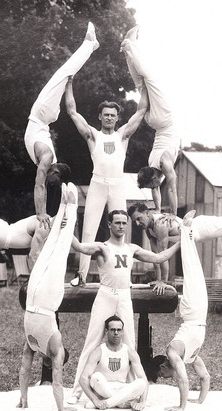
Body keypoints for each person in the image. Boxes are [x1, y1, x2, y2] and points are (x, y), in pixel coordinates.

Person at [68, 209, 181, 404]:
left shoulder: (132, 248)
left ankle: (133, 389)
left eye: (123, 223)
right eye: (117, 223)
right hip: (106, 294)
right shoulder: (102, 247)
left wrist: (182, 240)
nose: (121, 226)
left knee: (129, 344)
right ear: (110, 225)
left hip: (124, 295)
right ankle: (77, 391)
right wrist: (66, 224)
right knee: (92, 342)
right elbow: (78, 246)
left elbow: (159, 257)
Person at [65, 72, 149, 287]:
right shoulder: (93, 135)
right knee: (89, 231)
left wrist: (145, 84)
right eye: (106, 114)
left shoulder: (123, 135)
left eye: (113, 115)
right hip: (98, 183)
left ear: (117, 117)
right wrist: (69, 82)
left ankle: (123, 277)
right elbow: (72, 111)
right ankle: (81, 275)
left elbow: (141, 110)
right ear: (100, 117)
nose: (110, 117)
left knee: (121, 229)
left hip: (118, 184)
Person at [25, 22, 99, 231]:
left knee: (64, 73)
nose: (51, 179)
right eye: (55, 177)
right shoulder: (49, 159)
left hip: (43, 118)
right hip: (42, 117)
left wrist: (44, 212)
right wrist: (42, 212)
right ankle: (89, 45)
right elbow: (43, 185)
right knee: (64, 73)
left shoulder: (48, 162)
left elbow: (43, 185)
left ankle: (90, 45)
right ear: (56, 171)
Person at [17, 183, 79, 411]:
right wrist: (61, 408)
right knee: (58, 249)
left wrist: (23, 400)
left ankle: (65, 204)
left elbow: (24, 370)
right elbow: (57, 379)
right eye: (52, 362)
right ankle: (68, 206)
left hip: (36, 301)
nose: (48, 363)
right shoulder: (54, 348)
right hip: (37, 302)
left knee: (53, 248)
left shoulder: (32, 345)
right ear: (57, 358)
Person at [147, 212, 210, 411]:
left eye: (161, 376)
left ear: (163, 366)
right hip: (198, 314)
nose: (165, 379)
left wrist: (182, 407)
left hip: (193, 312)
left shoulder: (173, 352)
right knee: (195, 273)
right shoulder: (189, 357)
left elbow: (183, 379)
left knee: (192, 271)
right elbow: (205, 377)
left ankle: (185, 227)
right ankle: (187, 230)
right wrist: (199, 401)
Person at [121, 26, 180, 216]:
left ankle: (130, 45)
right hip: (153, 122)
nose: (155, 186)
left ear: (154, 176)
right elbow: (156, 190)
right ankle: (129, 49)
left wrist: (173, 214)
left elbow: (171, 189)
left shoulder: (164, 164)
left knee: (149, 78)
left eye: (153, 183)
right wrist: (157, 209)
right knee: (141, 84)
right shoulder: (151, 165)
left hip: (164, 119)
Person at [79, 315, 148, 411]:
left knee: (141, 383)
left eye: (119, 330)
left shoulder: (130, 352)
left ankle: (108, 402)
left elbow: (143, 379)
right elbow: (83, 378)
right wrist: (95, 400)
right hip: (103, 388)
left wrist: (142, 402)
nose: (116, 333)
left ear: (123, 332)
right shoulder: (98, 351)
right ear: (107, 331)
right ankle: (121, 403)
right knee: (96, 377)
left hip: (123, 389)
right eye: (112, 330)